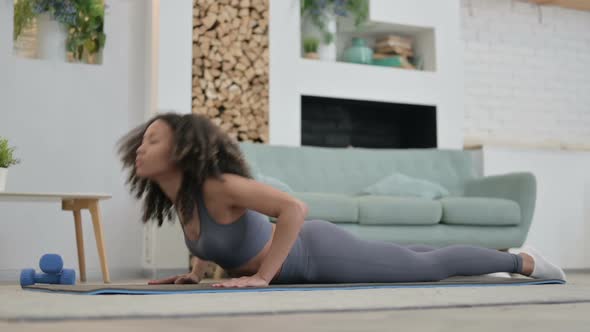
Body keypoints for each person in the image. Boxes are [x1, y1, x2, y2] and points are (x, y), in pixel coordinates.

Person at [117, 112, 566, 288]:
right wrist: (195, 272)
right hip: (303, 257)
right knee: (416, 254)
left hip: (316, 254)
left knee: (425, 268)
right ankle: (507, 259)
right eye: (143, 139)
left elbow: (294, 208)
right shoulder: (179, 196)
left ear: (181, 150)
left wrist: (262, 278)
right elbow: (212, 240)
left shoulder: (218, 185)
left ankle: (522, 263)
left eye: (153, 140)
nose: (141, 147)